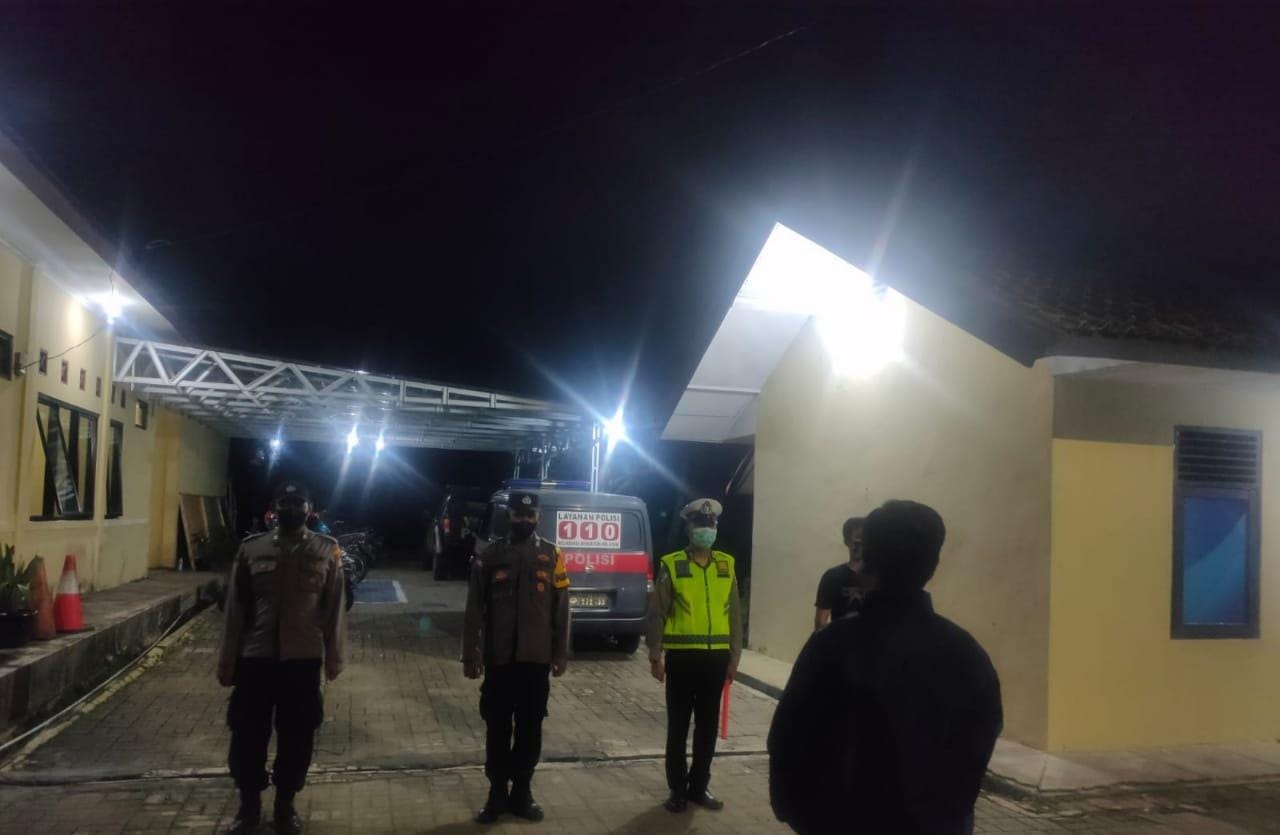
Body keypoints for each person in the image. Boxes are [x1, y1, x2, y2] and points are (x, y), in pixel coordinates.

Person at [768, 500, 1003, 835]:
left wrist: (801, 814)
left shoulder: (831, 647)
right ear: (933, 564)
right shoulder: (966, 655)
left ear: (867, 560)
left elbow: (789, 739)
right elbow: (974, 751)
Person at [218, 481, 347, 835]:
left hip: (302, 662)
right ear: (274, 509)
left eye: (298, 502)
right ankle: (248, 808)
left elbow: (334, 607)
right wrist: (227, 661)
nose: (291, 508)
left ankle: (284, 807)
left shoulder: (326, 550)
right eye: (285, 502)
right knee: (247, 736)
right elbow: (235, 611)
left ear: (310, 509)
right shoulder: (252, 549)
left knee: (297, 737)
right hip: (255, 661)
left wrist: (334, 657)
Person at [463, 491, 571, 824]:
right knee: (496, 730)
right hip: (498, 662)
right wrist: (471, 654)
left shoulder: (552, 555)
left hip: (535, 662)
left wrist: (560, 653)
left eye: (530, 515)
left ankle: (522, 794)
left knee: (529, 731)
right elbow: (474, 608)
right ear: (508, 515)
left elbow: (562, 609)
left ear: (538, 516)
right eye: (518, 514)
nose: (524, 520)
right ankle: (496, 795)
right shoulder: (490, 555)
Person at [648, 498, 744, 814]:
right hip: (682, 658)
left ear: (716, 527)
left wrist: (734, 658)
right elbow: (658, 612)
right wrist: (655, 655)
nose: (706, 529)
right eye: (700, 524)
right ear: (689, 527)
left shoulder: (726, 565)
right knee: (678, 727)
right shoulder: (672, 563)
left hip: (716, 659)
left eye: (710, 524)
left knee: (707, 728)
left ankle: (699, 787)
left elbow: (735, 615)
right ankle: (677, 790)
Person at [814, 516, 867, 631]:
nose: (860, 545)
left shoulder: (879, 577)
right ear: (846, 541)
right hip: (840, 640)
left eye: (864, 540)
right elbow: (820, 623)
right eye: (857, 541)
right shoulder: (832, 577)